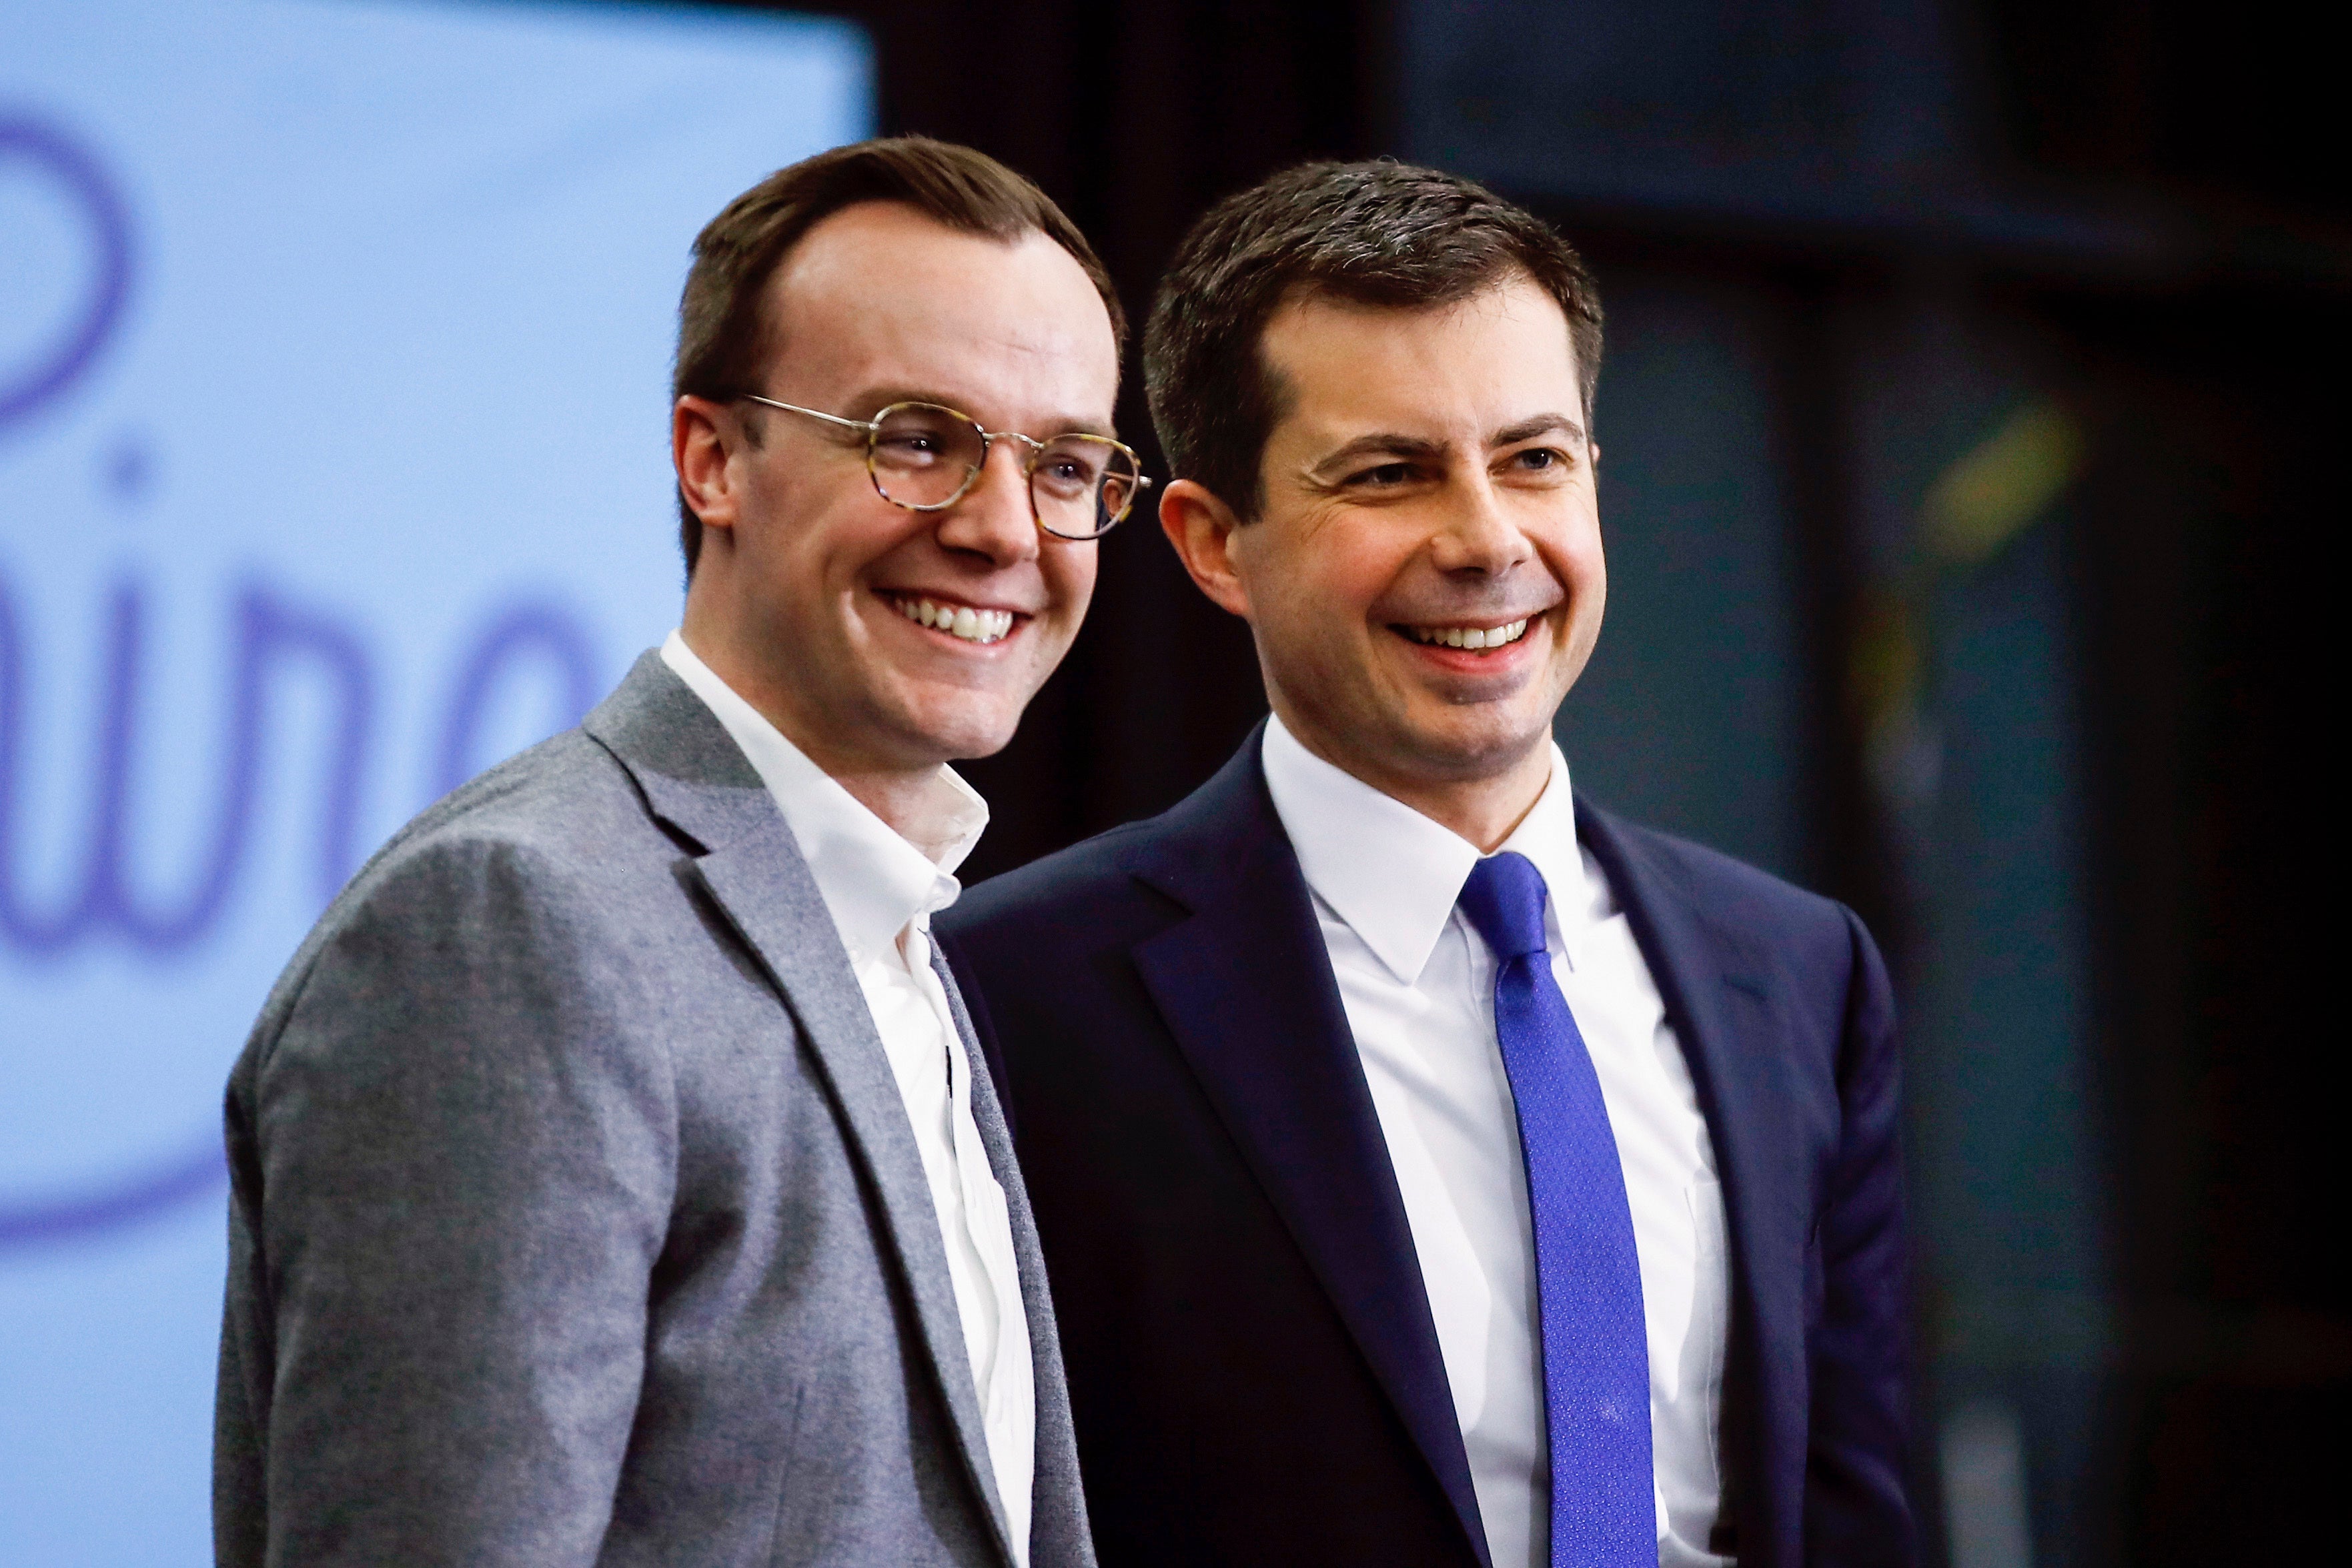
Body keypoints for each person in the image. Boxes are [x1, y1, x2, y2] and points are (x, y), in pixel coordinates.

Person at [937, 161, 1912, 1568]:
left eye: (1532, 459)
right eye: (1388, 473)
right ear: (1214, 544)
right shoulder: (1013, 999)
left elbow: (1852, 1517)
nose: (1483, 539)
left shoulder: (1797, 973)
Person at [213, 137, 1141, 1567]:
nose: (1003, 528)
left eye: (1066, 465)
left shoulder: (898, 933)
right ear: (713, 459)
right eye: (915, 439)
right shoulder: (518, 922)